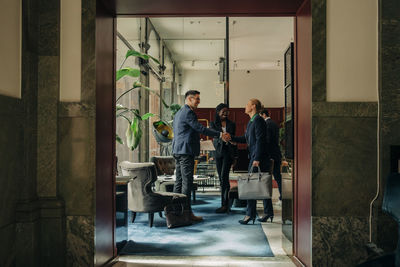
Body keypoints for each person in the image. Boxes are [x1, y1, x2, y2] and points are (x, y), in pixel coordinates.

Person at [172, 90, 229, 222]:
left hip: (178, 150)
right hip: (186, 152)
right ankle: (186, 213)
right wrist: (220, 134)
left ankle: (176, 212)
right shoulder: (188, 112)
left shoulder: (179, 112)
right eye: (197, 99)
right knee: (187, 183)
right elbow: (200, 128)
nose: (199, 101)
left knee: (179, 182)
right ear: (189, 99)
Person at [231, 99, 270, 225]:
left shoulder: (258, 120)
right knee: (260, 184)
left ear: (253, 106)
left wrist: (257, 159)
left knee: (251, 186)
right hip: (254, 157)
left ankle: (249, 214)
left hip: (257, 158)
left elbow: (260, 141)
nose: (245, 106)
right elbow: (246, 138)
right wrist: (232, 138)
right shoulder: (252, 121)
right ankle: (268, 212)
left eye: (247, 104)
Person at [210, 103, 238, 213]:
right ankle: (226, 203)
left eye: (227, 112)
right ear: (218, 112)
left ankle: (225, 205)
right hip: (218, 153)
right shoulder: (213, 124)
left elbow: (234, 139)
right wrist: (223, 136)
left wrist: (235, 156)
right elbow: (214, 137)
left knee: (224, 177)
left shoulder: (232, 124)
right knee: (222, 179)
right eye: (223, 111)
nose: (226, 113)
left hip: (228, 153)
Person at [258, 108, 282, 222]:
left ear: (263, 115)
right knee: (278, 177)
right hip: (276, 153)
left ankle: (269, 210)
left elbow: (267, 140)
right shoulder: (274, 123)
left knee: (266, 180)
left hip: (270, 156)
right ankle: (282, 198)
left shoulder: (267, 124)